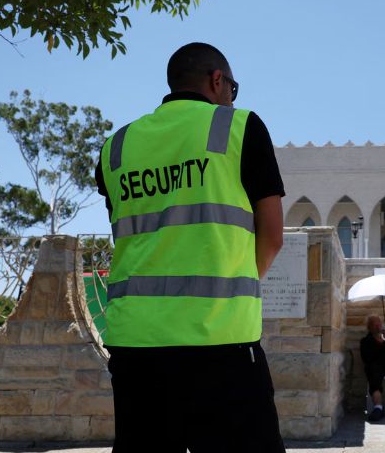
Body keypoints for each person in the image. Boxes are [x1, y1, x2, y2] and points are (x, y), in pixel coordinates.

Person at [95, 42, 287, 452]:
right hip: (222, 345)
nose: (232, 98)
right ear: (217, 81)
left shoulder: (116, 147)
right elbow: (272, 236)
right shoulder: (240, 128)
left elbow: (129, 235)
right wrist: (233, 288)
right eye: (232, 88)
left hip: (136, 348)